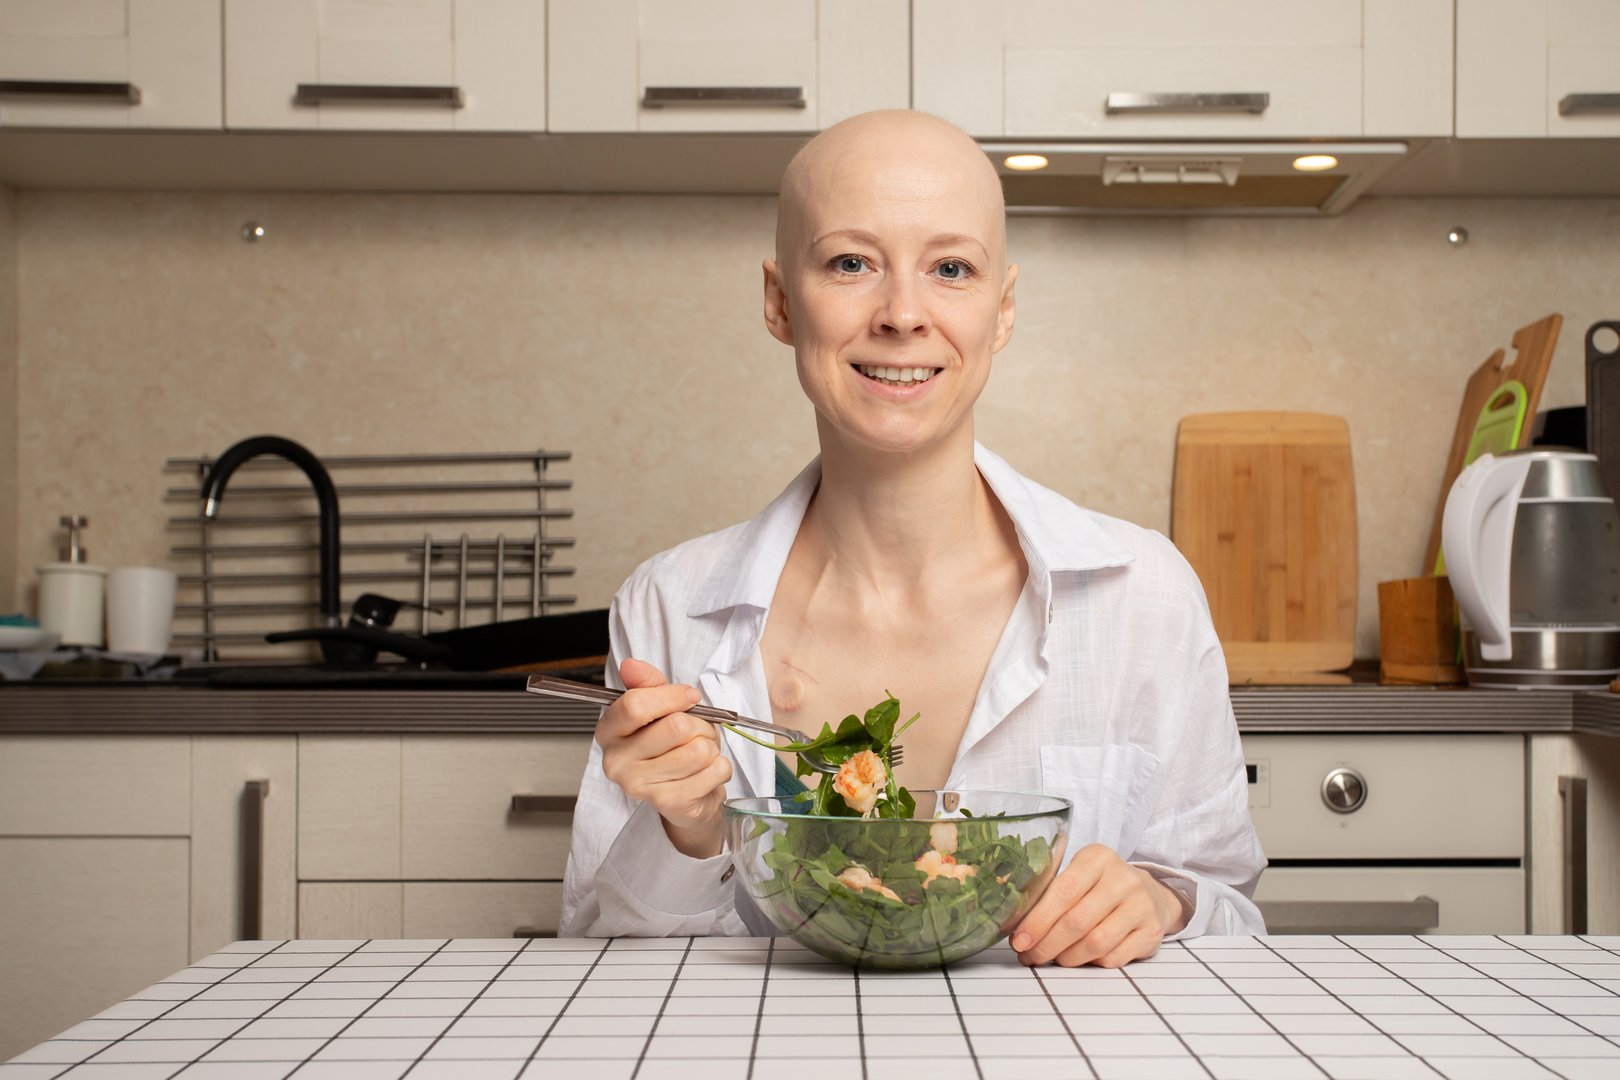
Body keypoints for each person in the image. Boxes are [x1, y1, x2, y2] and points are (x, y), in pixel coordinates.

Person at [560, 109, 1266, 966]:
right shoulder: (668, 608)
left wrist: (1161, 901)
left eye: (951, 268)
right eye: (851, 263)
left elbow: (1230, 913)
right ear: (782, 301)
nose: (902, 313)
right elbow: (600, 963)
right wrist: (690, 836)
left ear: (1001, 311)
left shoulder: (1144, 593)